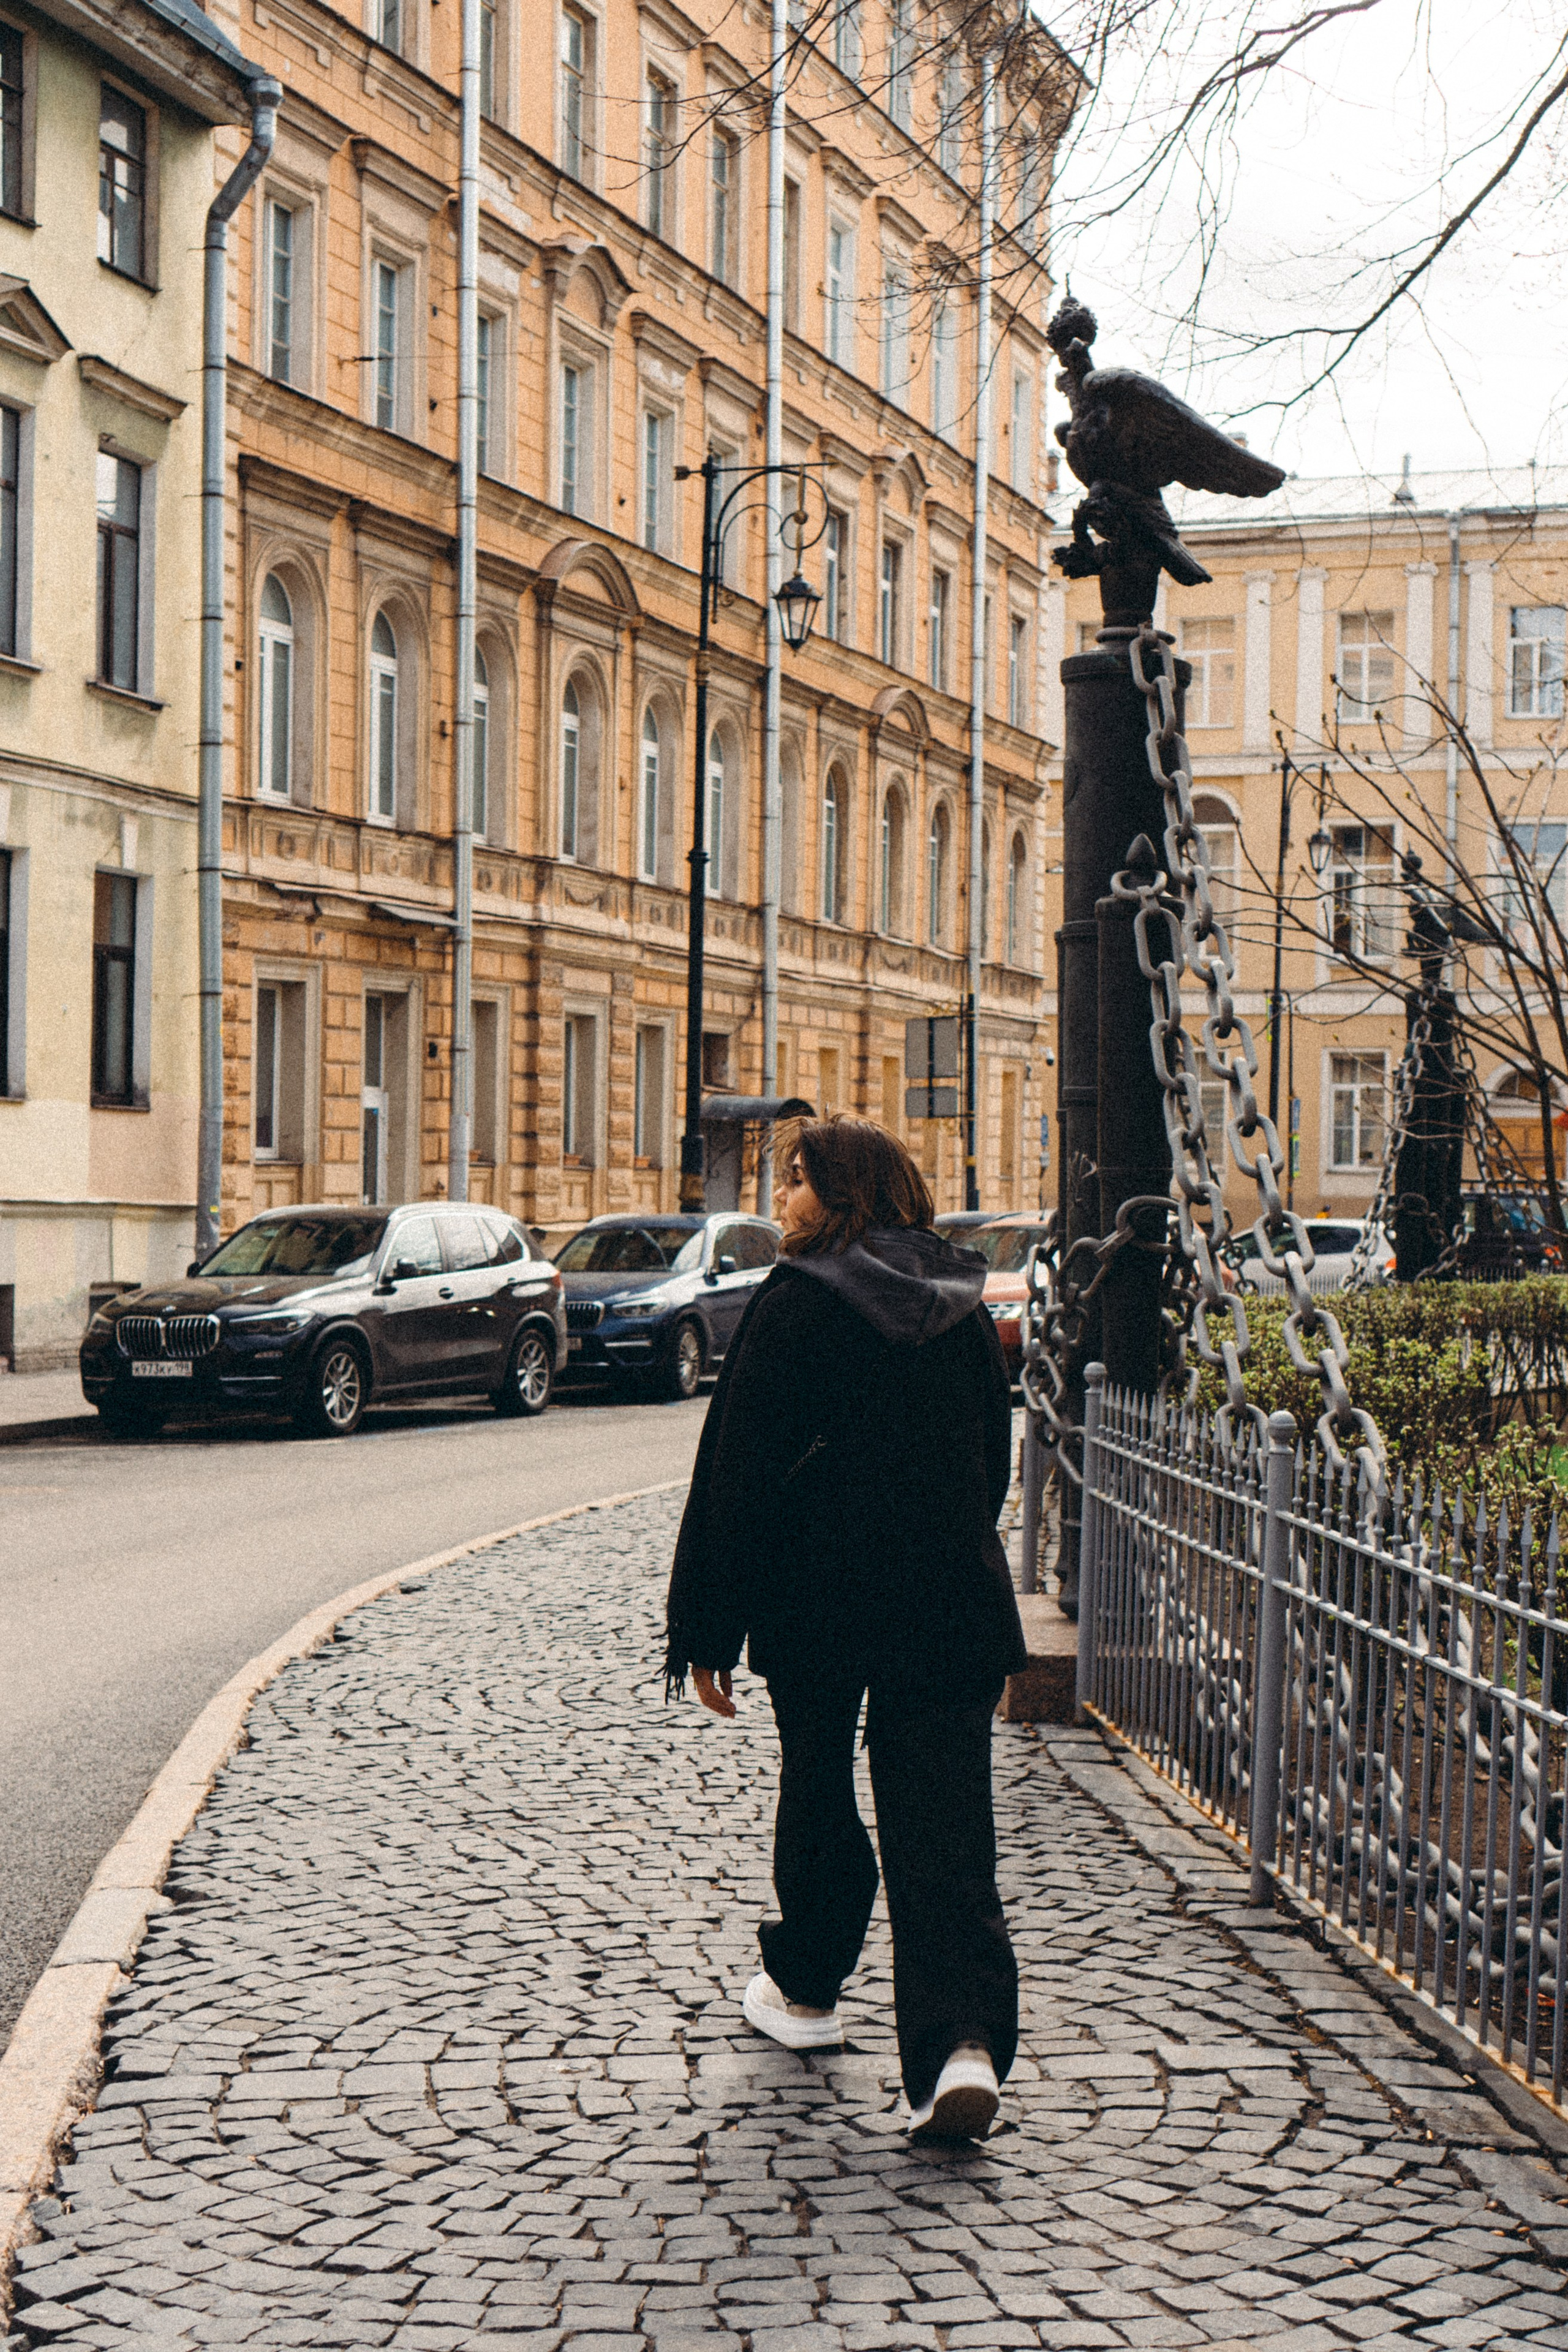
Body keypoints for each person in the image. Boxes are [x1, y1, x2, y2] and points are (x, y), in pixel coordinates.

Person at [664, 1115, 1027, 2141]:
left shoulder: (796, 1302)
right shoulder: (960, 1303)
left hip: (816, 1600)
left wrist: (706, 1628)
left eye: (796, 1181)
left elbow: (735, 1476)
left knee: (818, 1792)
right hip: (948, 1601)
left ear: (844, 1195)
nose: (781, 1201)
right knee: (947, 1827)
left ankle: (809, 1989)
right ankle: (958, 2049)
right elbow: (990, 1465)